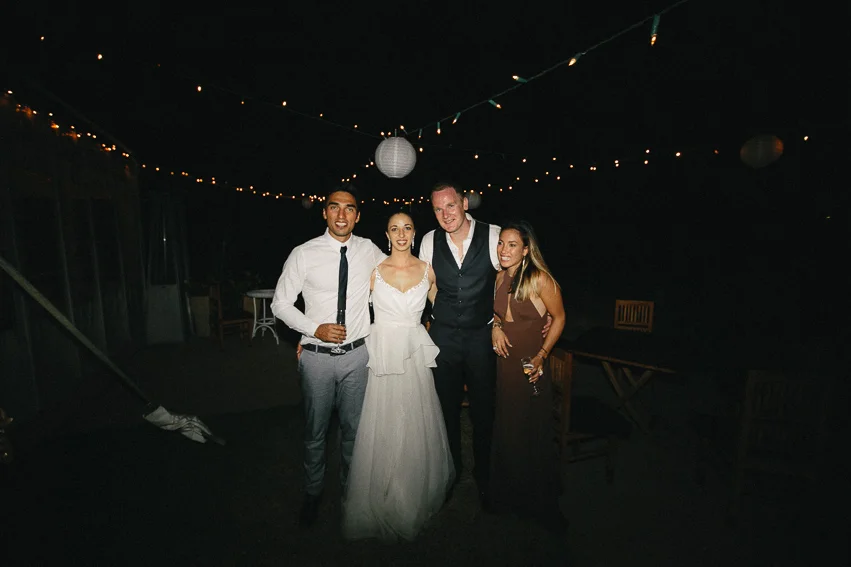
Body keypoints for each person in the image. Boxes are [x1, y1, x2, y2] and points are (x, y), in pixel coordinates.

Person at [270, 184, 386, 529]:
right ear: (324, 213)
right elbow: (280, 304)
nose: (341, 214)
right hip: (317, 358)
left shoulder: (369, 250)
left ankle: (352, 490)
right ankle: (313, 492)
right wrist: (313, 329)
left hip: (357, 356)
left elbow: (398, 274)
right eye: (334, 207)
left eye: (349, 208)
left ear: (358, 216)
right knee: (315, 431)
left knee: (354, 431)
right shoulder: (303, 253)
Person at [342, 211, 454, 542]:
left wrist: (496, 321)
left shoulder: (427, 270)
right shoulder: (374, 271)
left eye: (407, 228)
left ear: (414, 233)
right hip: (384, 352)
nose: (401, 233)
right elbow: (351, 310)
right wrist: (311, 336)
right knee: (384, 419)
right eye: (395, 228)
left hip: (414, 353)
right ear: (387, 235)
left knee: (415, 419)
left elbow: (448, 309)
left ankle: (411, 490)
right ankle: (381, 489)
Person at [417, 181, 503, 509]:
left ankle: (485, 477)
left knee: (484, 409)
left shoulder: (493, 235)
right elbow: (427, 284)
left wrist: (502, 320)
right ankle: (450, 473)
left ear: (465, 203)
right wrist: (439, 310)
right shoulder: (429, 240)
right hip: (444, 338)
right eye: (438, 209)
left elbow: (510, 279)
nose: (445, 214)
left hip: (481, 336)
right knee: (446, 409)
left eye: (450, 205)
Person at [490, 220, 567, 529]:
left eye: (512, 245)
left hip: (529, 365)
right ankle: (510, 493)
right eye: (501, 243)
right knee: (508, 426)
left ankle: (539, 500)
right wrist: (496, 327)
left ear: (525, 250)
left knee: (532, 427)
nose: (504, 250)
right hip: (504, 364)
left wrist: (542, 356)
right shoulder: (498, 277)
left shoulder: (539, 279)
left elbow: (559, 317)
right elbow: (498, 314)